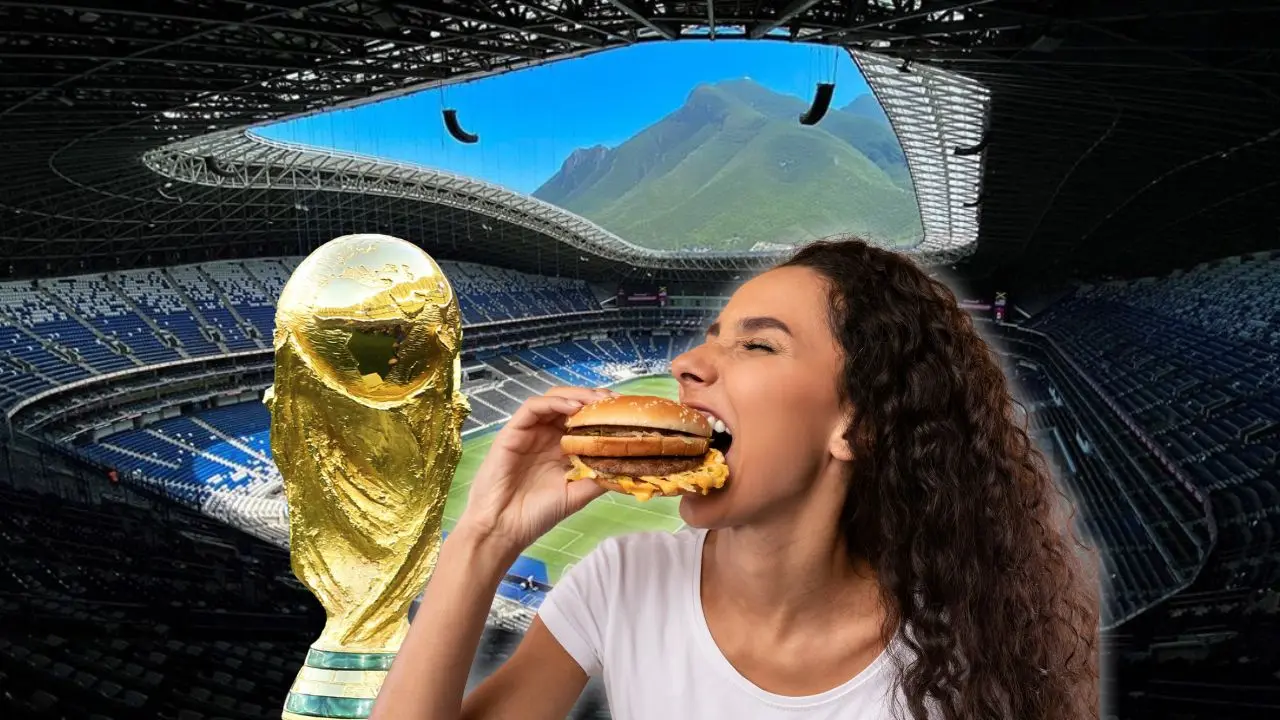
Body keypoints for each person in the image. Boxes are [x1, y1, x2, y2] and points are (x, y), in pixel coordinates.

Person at [371, 239, 1100, 720]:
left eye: (756, 344)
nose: (689, 362)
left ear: (856, 424)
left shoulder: (961, 659)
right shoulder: (622, 579)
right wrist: (482, 539)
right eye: (710, 334)